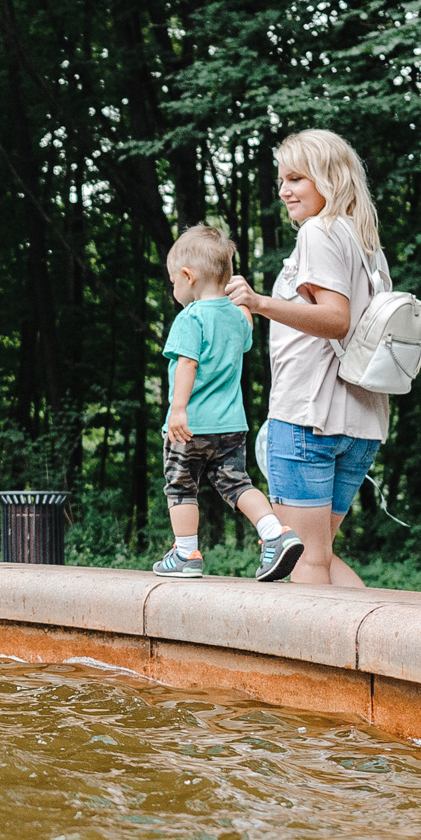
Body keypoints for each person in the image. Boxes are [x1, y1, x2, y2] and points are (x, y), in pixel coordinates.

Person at [225, 129, 392, 586]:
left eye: (296, 178)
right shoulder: (364, 242)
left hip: (308, 418)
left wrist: (259, 302)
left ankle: (314, 661)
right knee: (320, 556)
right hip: (359, 421)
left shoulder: (319, 231)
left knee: (303, 560)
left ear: (329, 179)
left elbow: (335, 319)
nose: (283, 190)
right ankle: (369, 652)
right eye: (282, 179)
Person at [154, 224, 306, 581]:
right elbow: (246, 338)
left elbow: (187, 364)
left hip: (190, 424)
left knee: (180, 487)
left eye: (174, 280)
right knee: (238, 485)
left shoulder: (189, 318)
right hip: (231, 426)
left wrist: (178, 409)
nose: (173, 288)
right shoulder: (238, 316)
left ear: (188, 276)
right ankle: (275, 534)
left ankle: (185, 553)